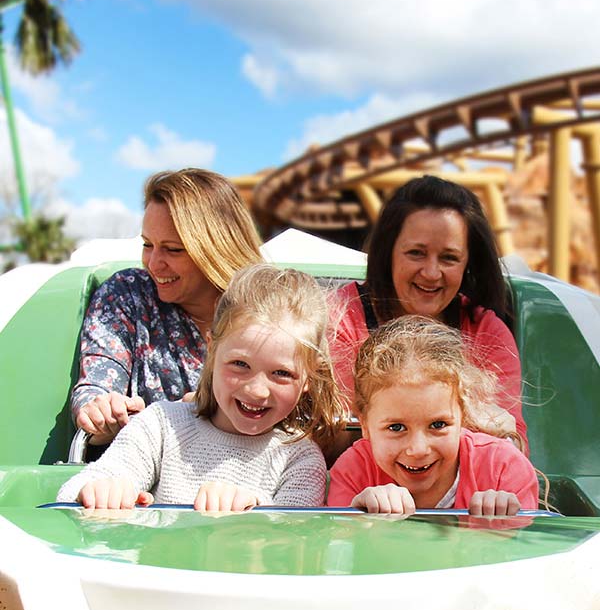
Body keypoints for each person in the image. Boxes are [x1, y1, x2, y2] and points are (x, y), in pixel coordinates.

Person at [57, 265, 347, 510]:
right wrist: (101, 490)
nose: (257, 390)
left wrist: (256, 512)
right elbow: (74, 490)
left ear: (309, 376)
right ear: (212, 349)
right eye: (240, 365)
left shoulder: (299, 457)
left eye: (281, 373)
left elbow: (295, 546)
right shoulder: (162, 425)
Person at [331, 174, 528, 448]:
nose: (431, 273)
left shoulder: (486, 330)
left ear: (468, 264)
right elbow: (333, 434)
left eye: (449, 258)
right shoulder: (342, 316)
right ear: (388, 252)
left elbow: (513, 444)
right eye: (416, 253)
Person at [71, 167, 263, 446]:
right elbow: (96, 387)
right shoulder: (126, 294)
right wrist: (99, 411)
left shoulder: (269, 308)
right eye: (148, 244)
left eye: (173, 249)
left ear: (217, 249)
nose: (153, 263)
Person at [327, 316, 538, 515]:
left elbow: (531, 549)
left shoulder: (502, 469)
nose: (418, 449)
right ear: (365, 425)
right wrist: (356, 523)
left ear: (462, 416)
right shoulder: (352, 473)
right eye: (396, 427)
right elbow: (341, 549)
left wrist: (502, 529)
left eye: (438, 424)